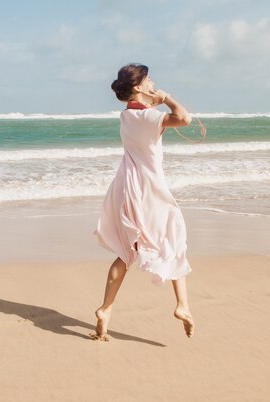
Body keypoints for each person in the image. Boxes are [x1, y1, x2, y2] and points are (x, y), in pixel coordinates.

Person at [92, 63, 195, 341]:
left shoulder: (127, 116)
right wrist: (167, 97)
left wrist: (155, 101)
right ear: (138, 87)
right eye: (149, 80)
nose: (153, 82)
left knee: (127, 251)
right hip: (150, 188)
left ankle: (105, 309)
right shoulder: (149, 117)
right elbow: (184, 118)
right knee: (174, 239)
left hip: (127, 186)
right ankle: (182, 306)